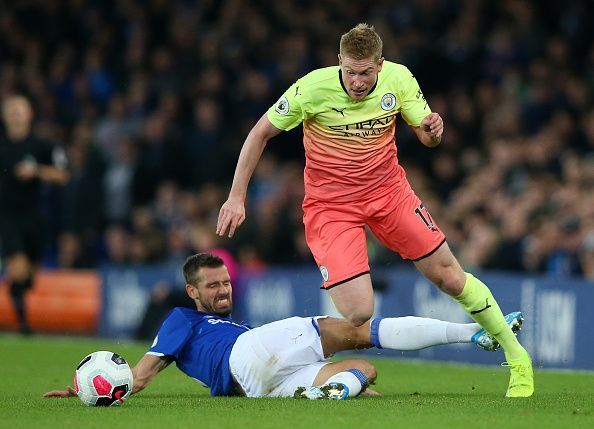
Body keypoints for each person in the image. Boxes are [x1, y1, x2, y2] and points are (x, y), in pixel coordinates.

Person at [216, 24, 533, 397]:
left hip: (389, 195)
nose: (358, 81)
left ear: (380, 65)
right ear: (339, 62)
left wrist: (434, 130)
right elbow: (259, 133)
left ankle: (517, 360)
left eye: (366, 72)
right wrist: (237, 196)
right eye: (350, 71)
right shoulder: (311, 88)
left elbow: (428, 137)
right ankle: (471, 333)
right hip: (331, 207)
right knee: (358, 312)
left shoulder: (398, 79)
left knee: (449, 275)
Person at [44, 253, 523, 400]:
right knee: (357, 329)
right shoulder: (181, 319)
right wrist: (116, 388)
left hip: (253, 385)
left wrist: (108, 391)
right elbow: (149, 368)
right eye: (212, 286)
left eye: (225, 282)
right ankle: (475, 334)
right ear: (192, 292)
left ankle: (329, 393)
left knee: (363, 376)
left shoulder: (225, 323)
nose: (222, 290)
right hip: (247, 357)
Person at [0, 95, 69, 334]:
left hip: (35, 217)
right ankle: (23, 325)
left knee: (29, 276)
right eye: (11, 110)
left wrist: (37, 171)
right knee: (17, 268)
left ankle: (18, 288)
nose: (16, 114)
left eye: (20, 110)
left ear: (29, 115)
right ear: (5, 116)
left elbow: (63, 175)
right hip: (7, 217)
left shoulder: (42, 146)